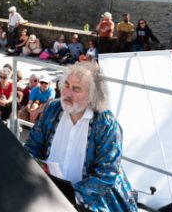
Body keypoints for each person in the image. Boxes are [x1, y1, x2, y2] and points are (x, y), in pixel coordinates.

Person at [24, 62, 138, 210]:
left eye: (76, 89)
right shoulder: (53, 108)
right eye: (66, 85)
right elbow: (33, 145)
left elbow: (106, 173)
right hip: (47, 186)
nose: (67, 93)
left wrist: (73, 197)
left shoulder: (106, 124)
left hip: (88, 198)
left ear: (92, 96)